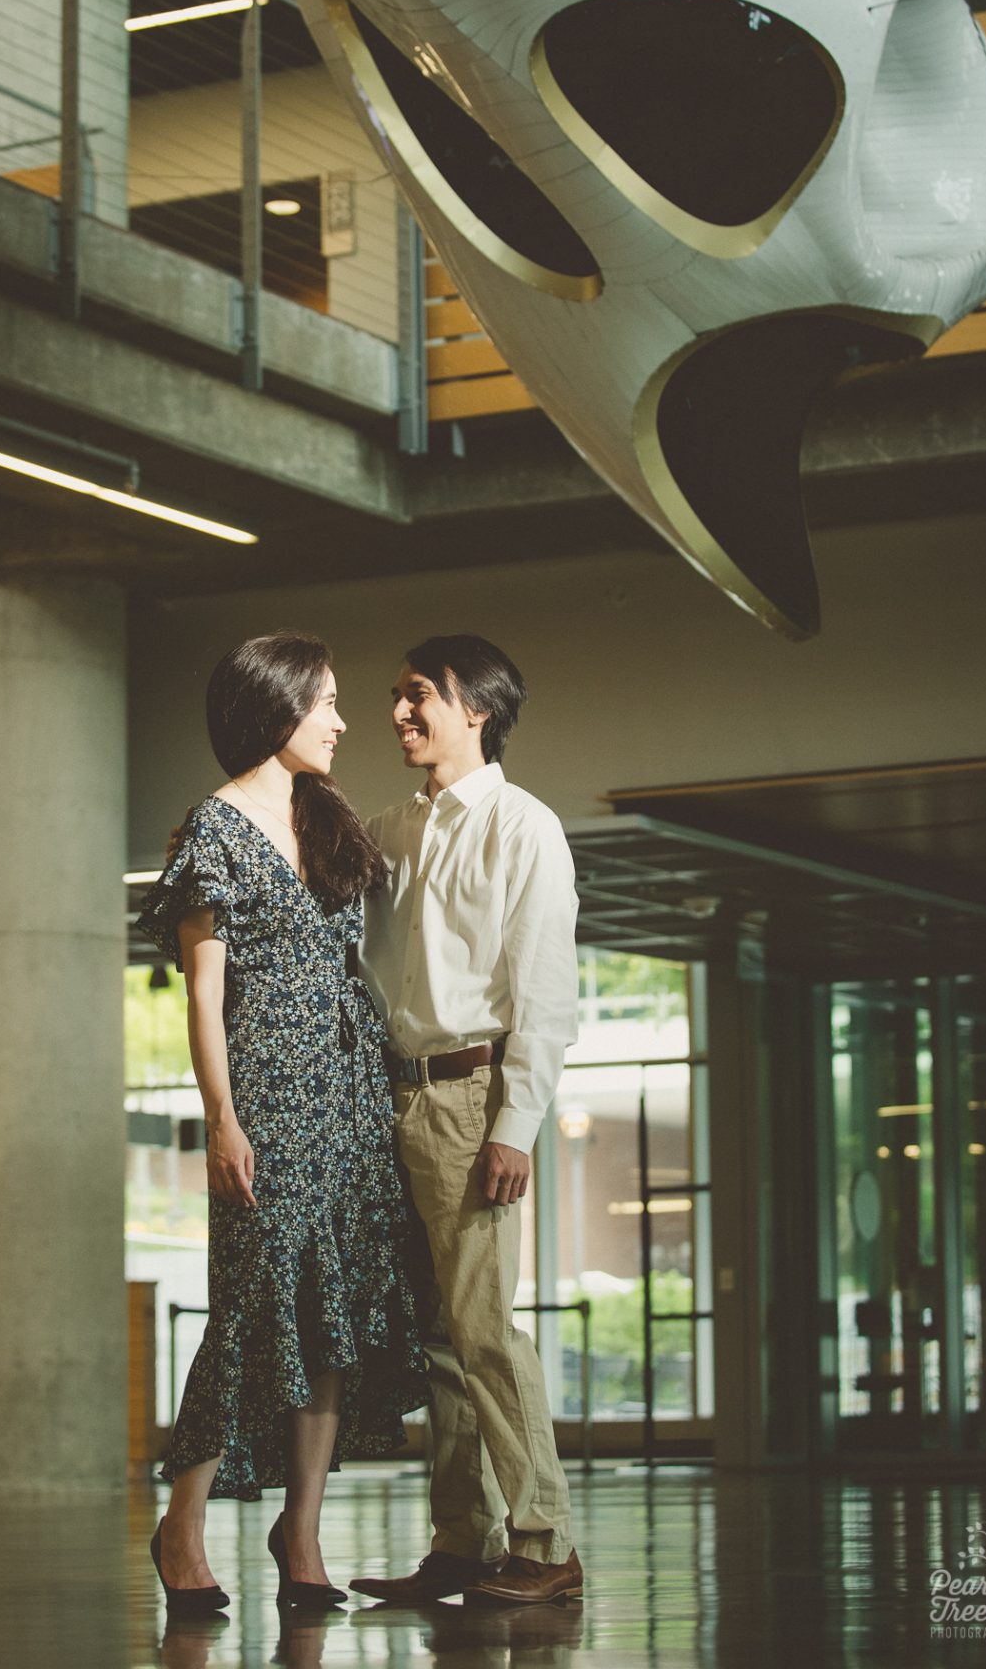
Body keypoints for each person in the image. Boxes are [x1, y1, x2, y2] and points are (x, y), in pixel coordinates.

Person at [136, 633, 427, 1614]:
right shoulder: (212, 830)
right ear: (276, 707)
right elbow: (202, 996)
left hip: (351, 1097)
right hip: (266, 1095)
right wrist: (223, 1117)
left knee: (333, 1310)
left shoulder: (333, 819)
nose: (345, 722)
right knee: (251, 1305)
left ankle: (299, 1527)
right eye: (329, 703)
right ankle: (182, 1518)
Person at [351, 634, 583, 1608]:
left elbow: (545, 991)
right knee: (439, 1335)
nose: (398, 713)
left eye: (417, 697)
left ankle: (544, 1537)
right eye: (396, 697)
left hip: (472, 1098)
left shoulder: (525, 827)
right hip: (395, 1094)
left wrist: (513, 1125)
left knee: (484, 1329)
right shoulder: (390, 828)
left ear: (475, 709)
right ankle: (461, 1538)